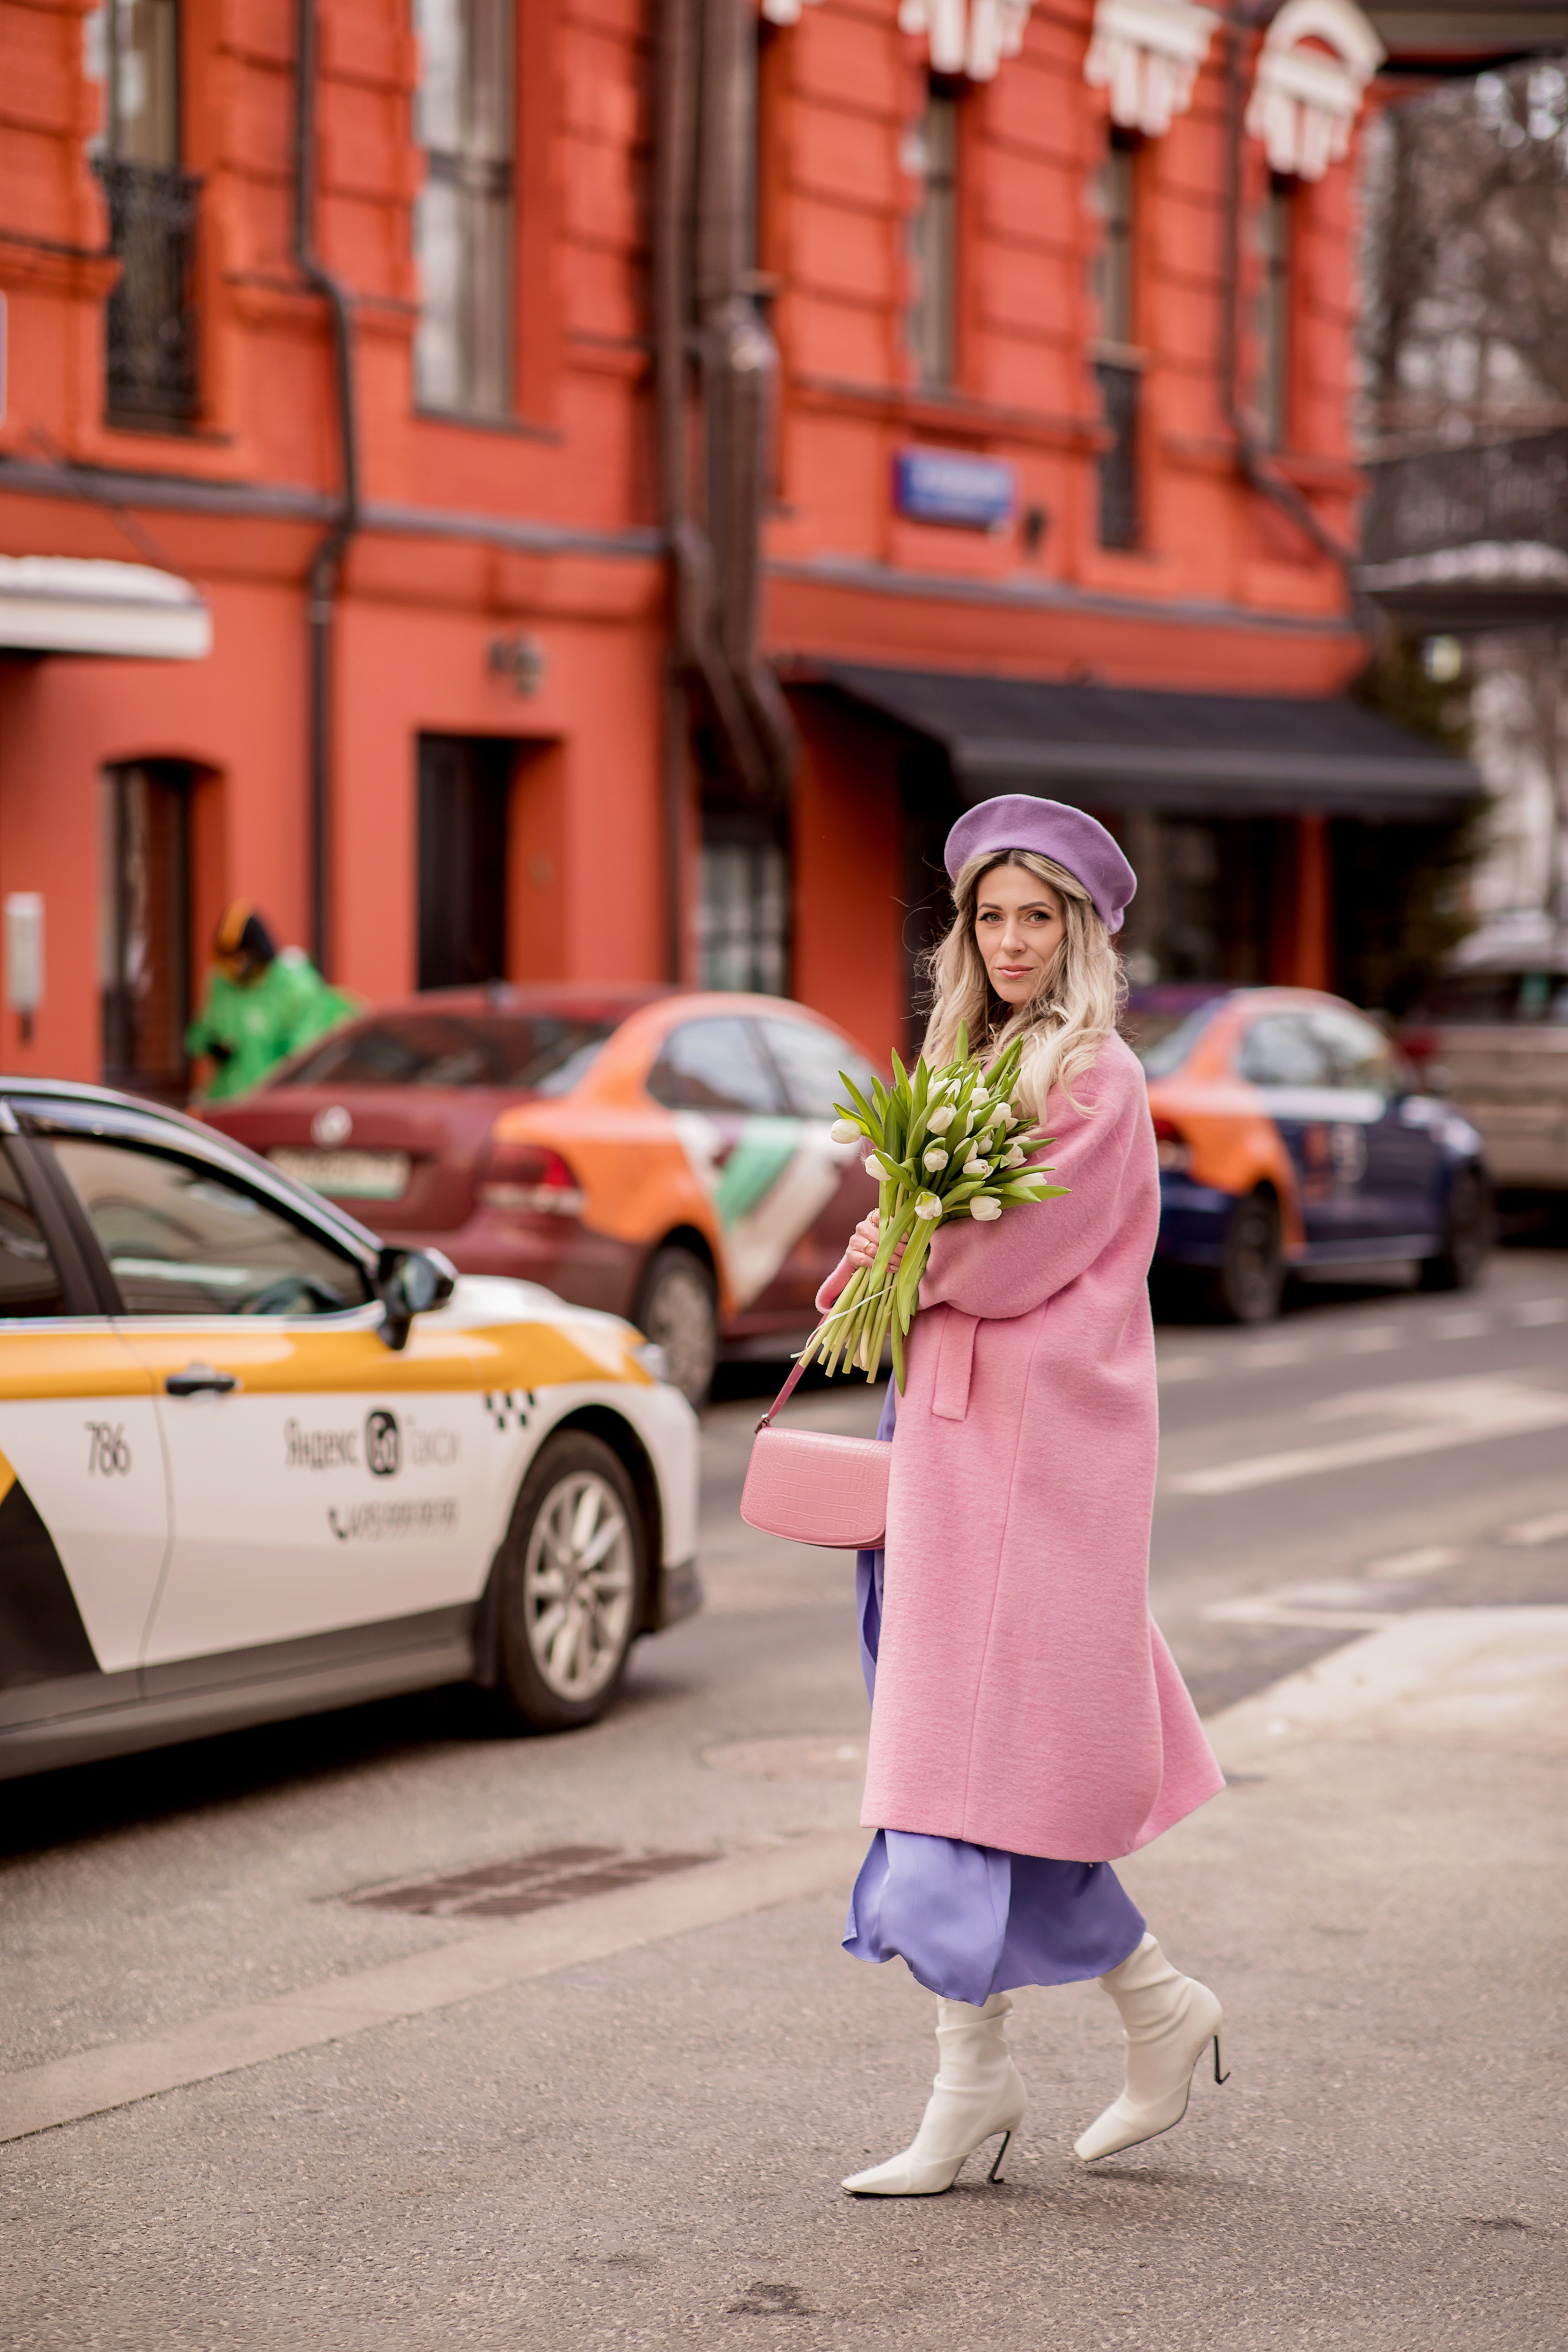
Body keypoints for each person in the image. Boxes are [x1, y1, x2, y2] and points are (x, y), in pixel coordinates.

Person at [819, 796, 1227, 2198]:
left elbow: (1004, 1263)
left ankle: (984, 2079)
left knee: (961, 1761)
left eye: (1033, 917)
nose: (1006, 940)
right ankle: (1123, 2017)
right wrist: (884, 1244)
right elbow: (936, 1239)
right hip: (953, 1443)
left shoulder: (1094, 1077)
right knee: (966, 1761)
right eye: (987, 916)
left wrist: (901, 1245)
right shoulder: (970, 1059)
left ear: (1079, 932)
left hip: (1029, 1458)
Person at [186, 902, 356, 1102]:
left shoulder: (292, 984)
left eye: (242, 960)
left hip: (271, 1102)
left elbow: (306, 1051)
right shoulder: (221, 983)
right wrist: (211, 1045)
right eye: (229, 961)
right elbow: (197, 1036)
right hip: (226, 1099)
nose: (234, 969)